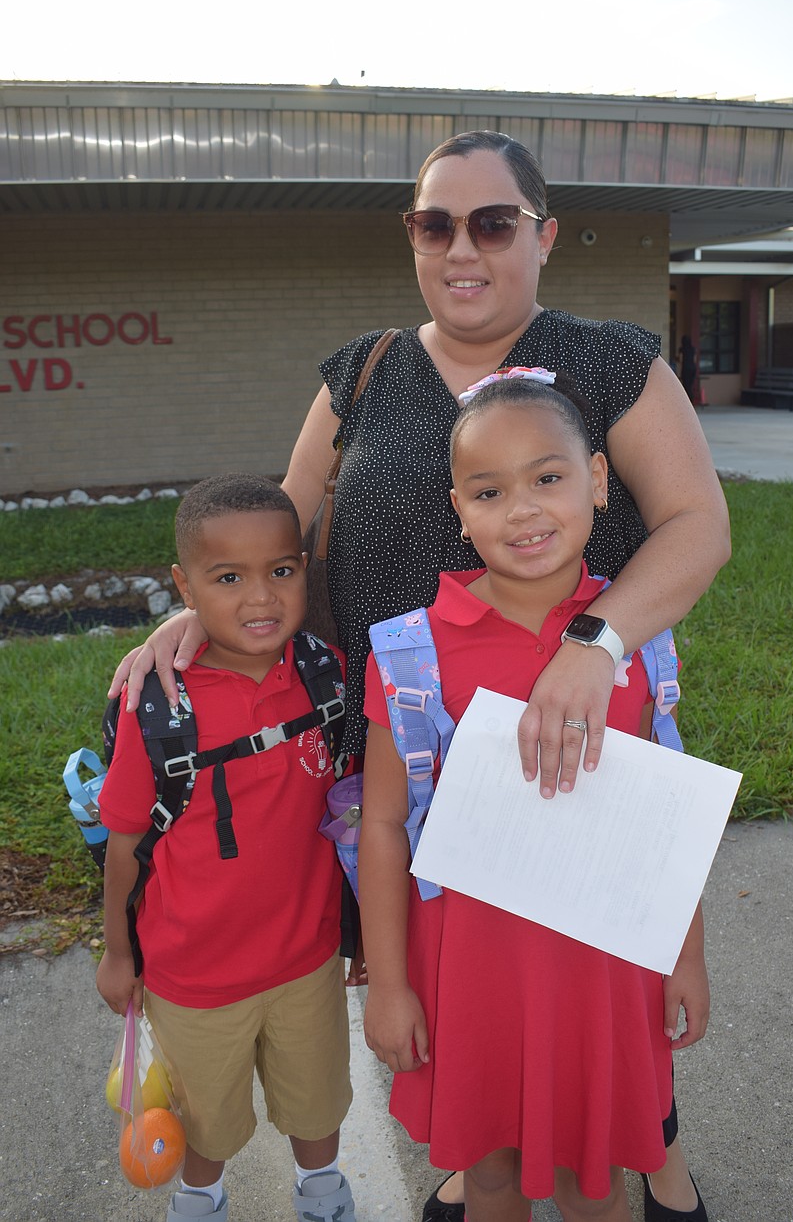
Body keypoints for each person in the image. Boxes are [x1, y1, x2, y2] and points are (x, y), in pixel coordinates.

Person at [110, 129, 730, 1220]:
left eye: (492, 222)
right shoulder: (367, 368)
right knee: (457, 971)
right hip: (409, 729)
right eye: (432, 222)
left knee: (588, 954)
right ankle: (477, 1142)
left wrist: (596, 648)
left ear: (541, 235)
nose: (460, 246)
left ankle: (644, 1147)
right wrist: (188, 614)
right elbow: (286, 519)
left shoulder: (609, 359)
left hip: (573, 713)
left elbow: (697, 526)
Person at [359, 376, 710, 1222]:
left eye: (546, 478)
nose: (522, 509)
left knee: (599, 1179)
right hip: (471, 969)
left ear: (596, 477)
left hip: (602, 966)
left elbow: (665, 819)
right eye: (490, 490)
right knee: (490, 1177)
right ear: (460, 509)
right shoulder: (414, 653)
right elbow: (380, 822)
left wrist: (687, 957)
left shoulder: (638, 639)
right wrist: (391, 984)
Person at [96, 474, 356, 1222]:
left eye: (282, 570)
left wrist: (360, 931)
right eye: (228, 577)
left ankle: (323, 1194)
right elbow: (124, 846)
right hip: (194, 973)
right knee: (205, 1118)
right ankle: (201, 1200)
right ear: (184, 586)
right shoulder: (159, 703)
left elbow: (350, 816)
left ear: (306, 568)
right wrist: (119, 951)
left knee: (319, 1100)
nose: (260, 597)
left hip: (306, 959)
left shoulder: (324, 676)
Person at [677, 335, 698, 405]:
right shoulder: (693, 349)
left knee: (686, 385)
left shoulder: (682, 349)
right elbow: (695, 360)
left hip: (686, 368)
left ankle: (687, 401)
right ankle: (691, 399)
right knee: (690, 385)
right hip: (693, 368)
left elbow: (680, 360)